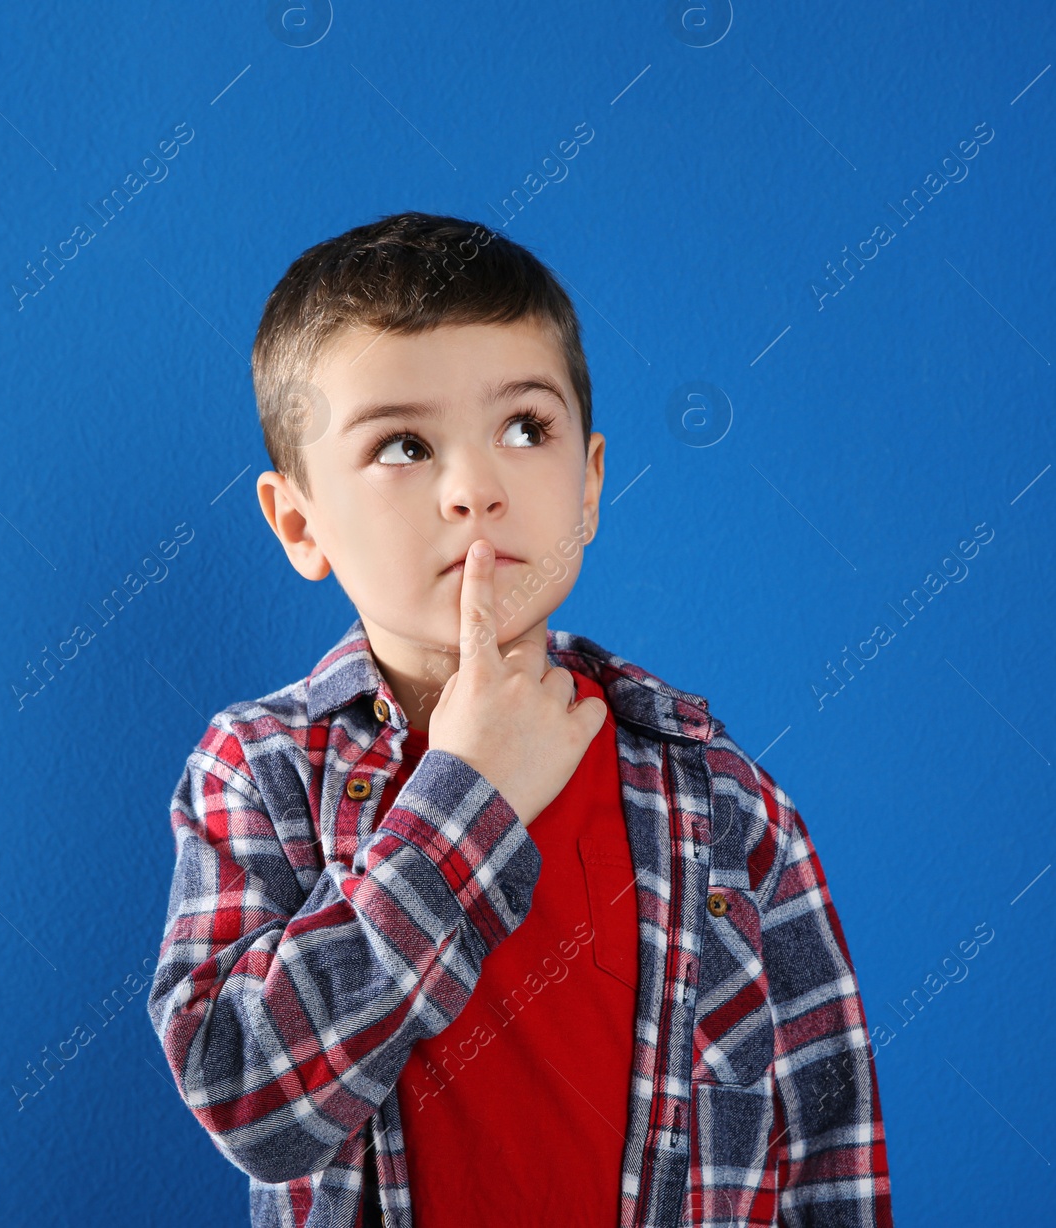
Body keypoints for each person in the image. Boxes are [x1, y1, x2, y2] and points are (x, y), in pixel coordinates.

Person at [146, 212, 892, 1227]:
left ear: (588, 484)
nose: (475, 488)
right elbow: (251, 1102)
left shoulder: (724, 802)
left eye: (523, 429)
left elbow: (830, 1143)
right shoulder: (259, 771)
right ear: (300, 522)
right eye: (403, 445)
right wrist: (463, 794)